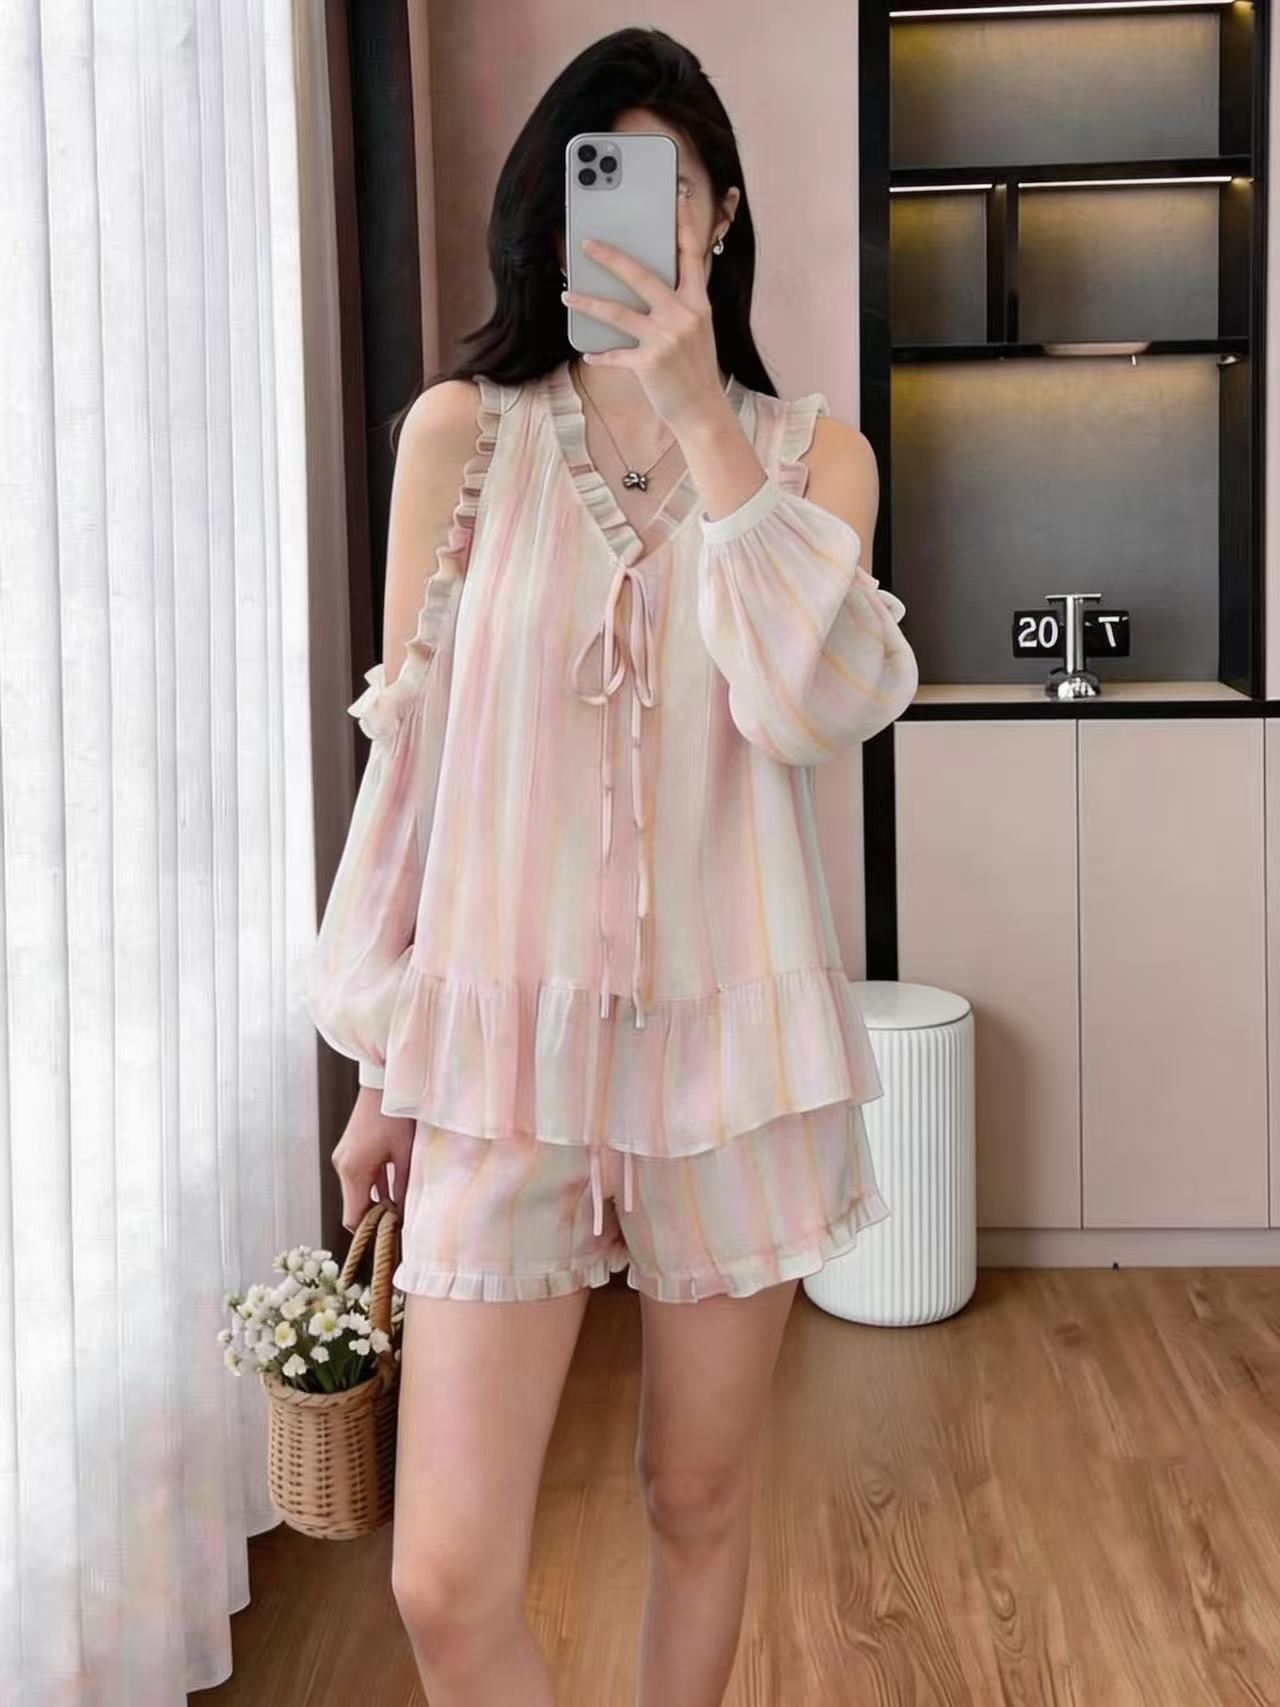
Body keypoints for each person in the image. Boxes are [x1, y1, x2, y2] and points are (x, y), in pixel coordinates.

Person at [303, 25, 918, 1707]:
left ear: (720, 216)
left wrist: (707, 421)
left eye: (672, 184)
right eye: (605, 183)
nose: (642, 216)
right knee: (444, 1580)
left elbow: (810, 709)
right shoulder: (461, 436)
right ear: (554, 214)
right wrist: (381, 1075)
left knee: (696, 1502)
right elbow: (413, 777)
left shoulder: (817, 463)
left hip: (732, 1052)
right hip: (500, 1052)